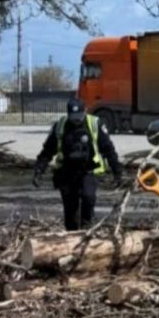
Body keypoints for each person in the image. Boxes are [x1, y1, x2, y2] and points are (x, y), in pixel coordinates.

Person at [33, 98, 123, 231]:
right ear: (68, 114)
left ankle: (87, 228)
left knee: (88, 198)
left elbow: (108, 149)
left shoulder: (94, 124)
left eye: (79, 116)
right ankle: (71, 235)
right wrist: (39, 171)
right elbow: (47, 151)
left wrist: (117, 172)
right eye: (73, 116)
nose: (76, 119)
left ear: (85, 111)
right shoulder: (60, 126)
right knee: (70, 211)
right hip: (67, 173)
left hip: (89, 171)